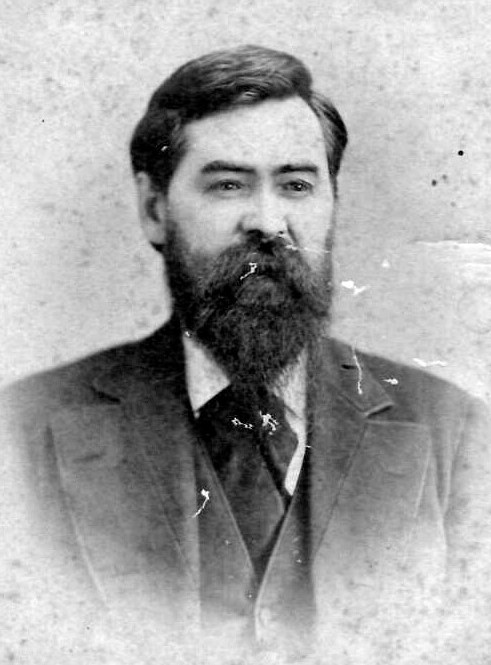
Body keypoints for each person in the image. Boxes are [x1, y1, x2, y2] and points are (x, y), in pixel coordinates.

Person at [2, 45, 491, 665]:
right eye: (228, 185)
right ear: (154, 209)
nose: (268, 221)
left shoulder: (456, 432)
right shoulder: (21, 433)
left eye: (296, 185)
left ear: (331, 202)